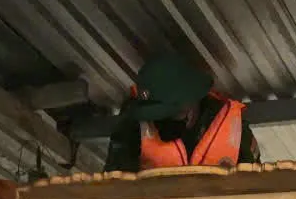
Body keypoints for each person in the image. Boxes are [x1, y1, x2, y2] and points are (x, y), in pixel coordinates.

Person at [105, 51, 260, 173]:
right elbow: (114, 184)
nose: (159, 121)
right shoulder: (132, 122)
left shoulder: (234, 127)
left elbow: (255, 189)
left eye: (167, 114)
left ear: (190, 103)